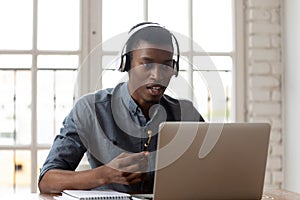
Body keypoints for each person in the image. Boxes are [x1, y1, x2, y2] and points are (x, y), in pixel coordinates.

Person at [38, 22, 205, 194]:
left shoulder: (186, 113)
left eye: (166, 65)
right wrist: (105, 174)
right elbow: (47, 180)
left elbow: (212, 170)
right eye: (147, 64)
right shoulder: (91, 109)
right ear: (126, 64)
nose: (157, 75)